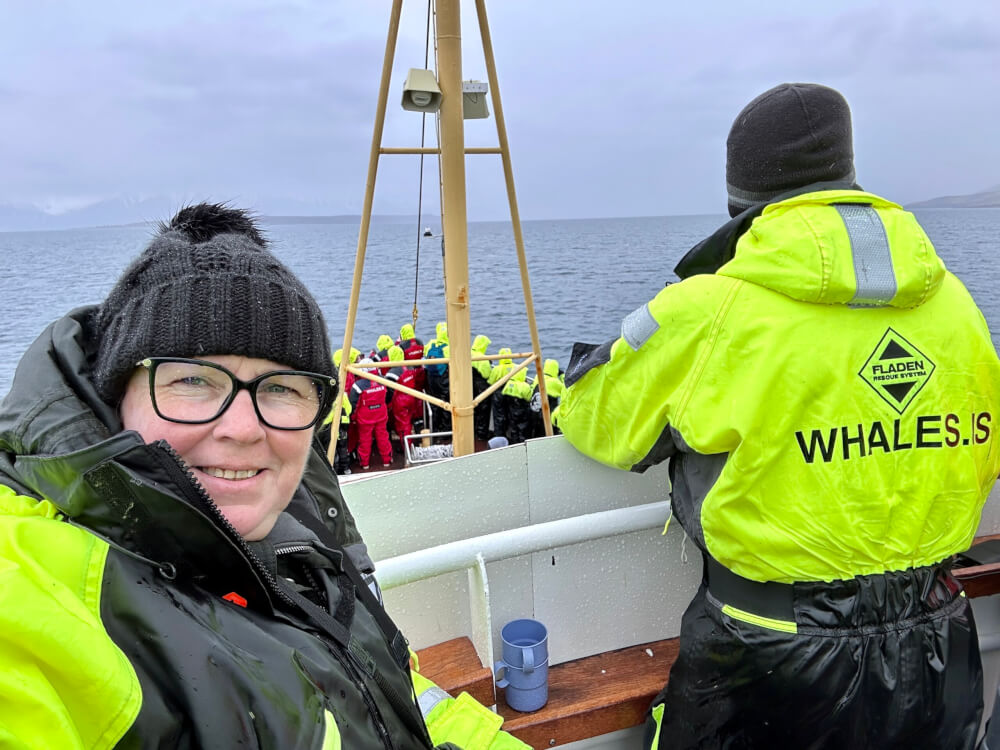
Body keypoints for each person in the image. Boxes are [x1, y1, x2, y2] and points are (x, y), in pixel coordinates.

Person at [556, 84, 1000, 749]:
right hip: (940, 648)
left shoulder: (709, 310)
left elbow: (594, 418)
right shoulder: (956, 306)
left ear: (741, 200)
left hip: (771, 662)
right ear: (849, 176)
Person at [0, 203, 528, 750]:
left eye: (281, 387)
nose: (243, 428)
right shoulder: (30, 596)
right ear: (116, 395)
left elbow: (391, 699)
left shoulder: (302, 546)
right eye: (193, 380)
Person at [349, 358, 393, 469]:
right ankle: (387, 461)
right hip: (381, 416)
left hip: (365, 419)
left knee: (365, 441)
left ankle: (365, 464)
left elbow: (353, 404)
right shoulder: (383, 380)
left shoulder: (358, 386)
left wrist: (353, 418)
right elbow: (388, 397)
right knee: (383, 438)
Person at [424, 322, 451, 434]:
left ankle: (434, 428)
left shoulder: (431, 343)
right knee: (446, 403)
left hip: (431, 377)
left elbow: (425, 356)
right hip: (443, 378)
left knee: (434, 402)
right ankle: (446, 430)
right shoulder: (448, 346)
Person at [530, 358, 564, 437]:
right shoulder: (554, 382)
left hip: (534, 412)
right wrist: (562, 375)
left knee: (537, 434)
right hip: (546, 415)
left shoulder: (537, 377)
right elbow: (567, 390)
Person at [487, 347, 514, 441]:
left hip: (499, 393)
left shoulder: (497, 369)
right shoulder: (516, 367)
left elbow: (491, 381)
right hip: (512, 393)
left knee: (499, 415)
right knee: (510, 414)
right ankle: (509, 436)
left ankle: (499, 436)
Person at [471, 334, 493, 440]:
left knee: (472, 410)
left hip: (469, 387)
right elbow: (487, 375)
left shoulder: (466, 353)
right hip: (481, 387)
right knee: (483, 411)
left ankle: (471, 430)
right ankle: (481, 434)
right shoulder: (483, 359)